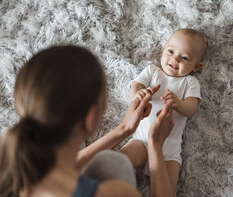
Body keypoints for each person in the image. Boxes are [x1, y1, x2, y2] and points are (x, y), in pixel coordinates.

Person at [0, 45, 175, 197]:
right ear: (90, 118)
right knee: (115, 166)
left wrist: (124, 129)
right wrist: (155, 143)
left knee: (111, 163)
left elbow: (60, 164)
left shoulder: (8, 152)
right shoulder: (117, 192)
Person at [120, 28, 206, 196]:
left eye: (184, 57)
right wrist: (138, 93)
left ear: (197, 66)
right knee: (118, 163)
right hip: (141, 142)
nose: (174, 59)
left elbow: (191, 108)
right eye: (171, 51)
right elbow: (136, 85)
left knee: (168, 190)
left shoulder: (190, 82)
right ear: (164, 48)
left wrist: (179, 104)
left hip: (169, 151)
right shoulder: (153, 71)